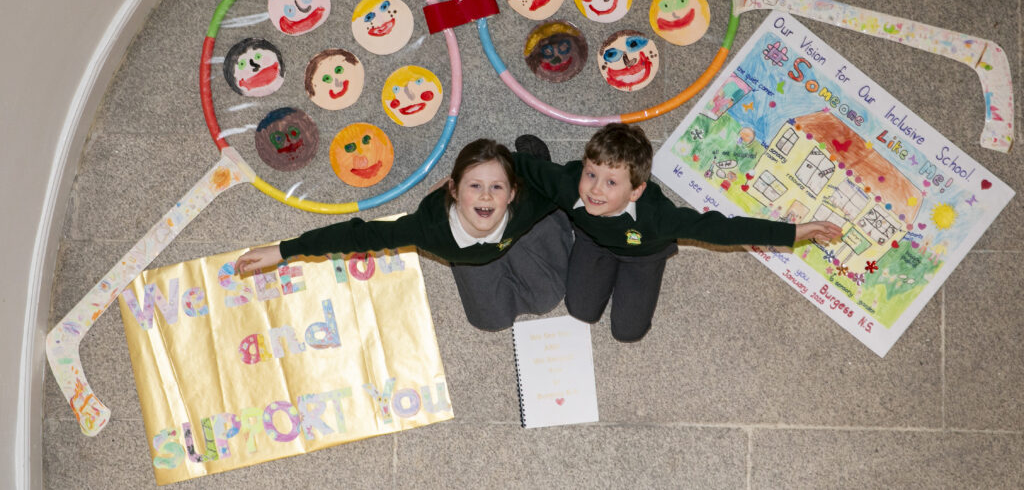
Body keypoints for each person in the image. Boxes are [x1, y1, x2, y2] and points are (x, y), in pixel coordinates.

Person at [511, 125, 843, 343]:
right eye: (591, 174)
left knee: (628, 333)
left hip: (643, 253)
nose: (595, 190)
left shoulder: (658, 217)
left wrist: (794, 231)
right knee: (580, 311)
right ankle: (546, 164)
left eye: (611, 182)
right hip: (592, 239)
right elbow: (521, 168)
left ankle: (640, 268)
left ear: (636, 191)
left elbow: (722, 229)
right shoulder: (570, 183)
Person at [235, 138, 573, 331]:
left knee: (548, 298)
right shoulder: (427, 230)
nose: (486, 196)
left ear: (511, 193)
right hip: (470, 246)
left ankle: (530, 162)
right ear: (454, 191)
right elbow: (358, 236)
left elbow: (583, 189)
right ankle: (508, 188)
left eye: (496, 188)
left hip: (522, 223)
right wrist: (284, 250)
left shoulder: (527, 202)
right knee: (490, 321)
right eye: (475, 187)